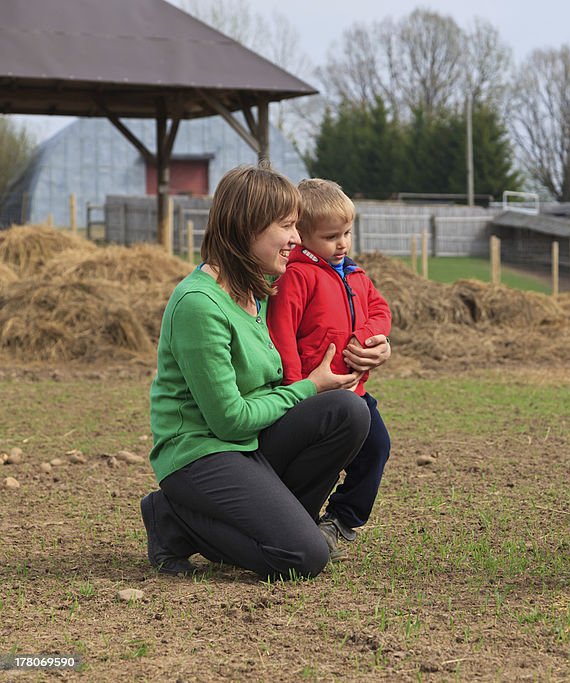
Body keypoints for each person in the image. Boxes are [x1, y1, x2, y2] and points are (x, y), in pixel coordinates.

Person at [140, 163, 370, 580]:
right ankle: (173, 518)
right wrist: (306, 387)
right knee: (304, 557)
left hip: (249, 444)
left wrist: (373, 344)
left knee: (348, 412)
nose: (297, 239)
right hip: (202, 453)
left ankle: (283, 523)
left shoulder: (257, 291)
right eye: (287, 226)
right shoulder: (199, 304)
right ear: (248, 228)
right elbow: (229, 421)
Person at [267, 178, 392, 560]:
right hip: (312, 395)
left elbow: (381, 310)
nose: (342, 244)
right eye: (330, 236)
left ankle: (341, 521)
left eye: (347, 233)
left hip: (353, 390)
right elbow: (282, 330)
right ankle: (292, 520)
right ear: (301, 236)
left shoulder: (355, 274)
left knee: (377, 449)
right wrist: (295, 386)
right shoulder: (297, 277)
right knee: (322, 460)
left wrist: (369, 338)